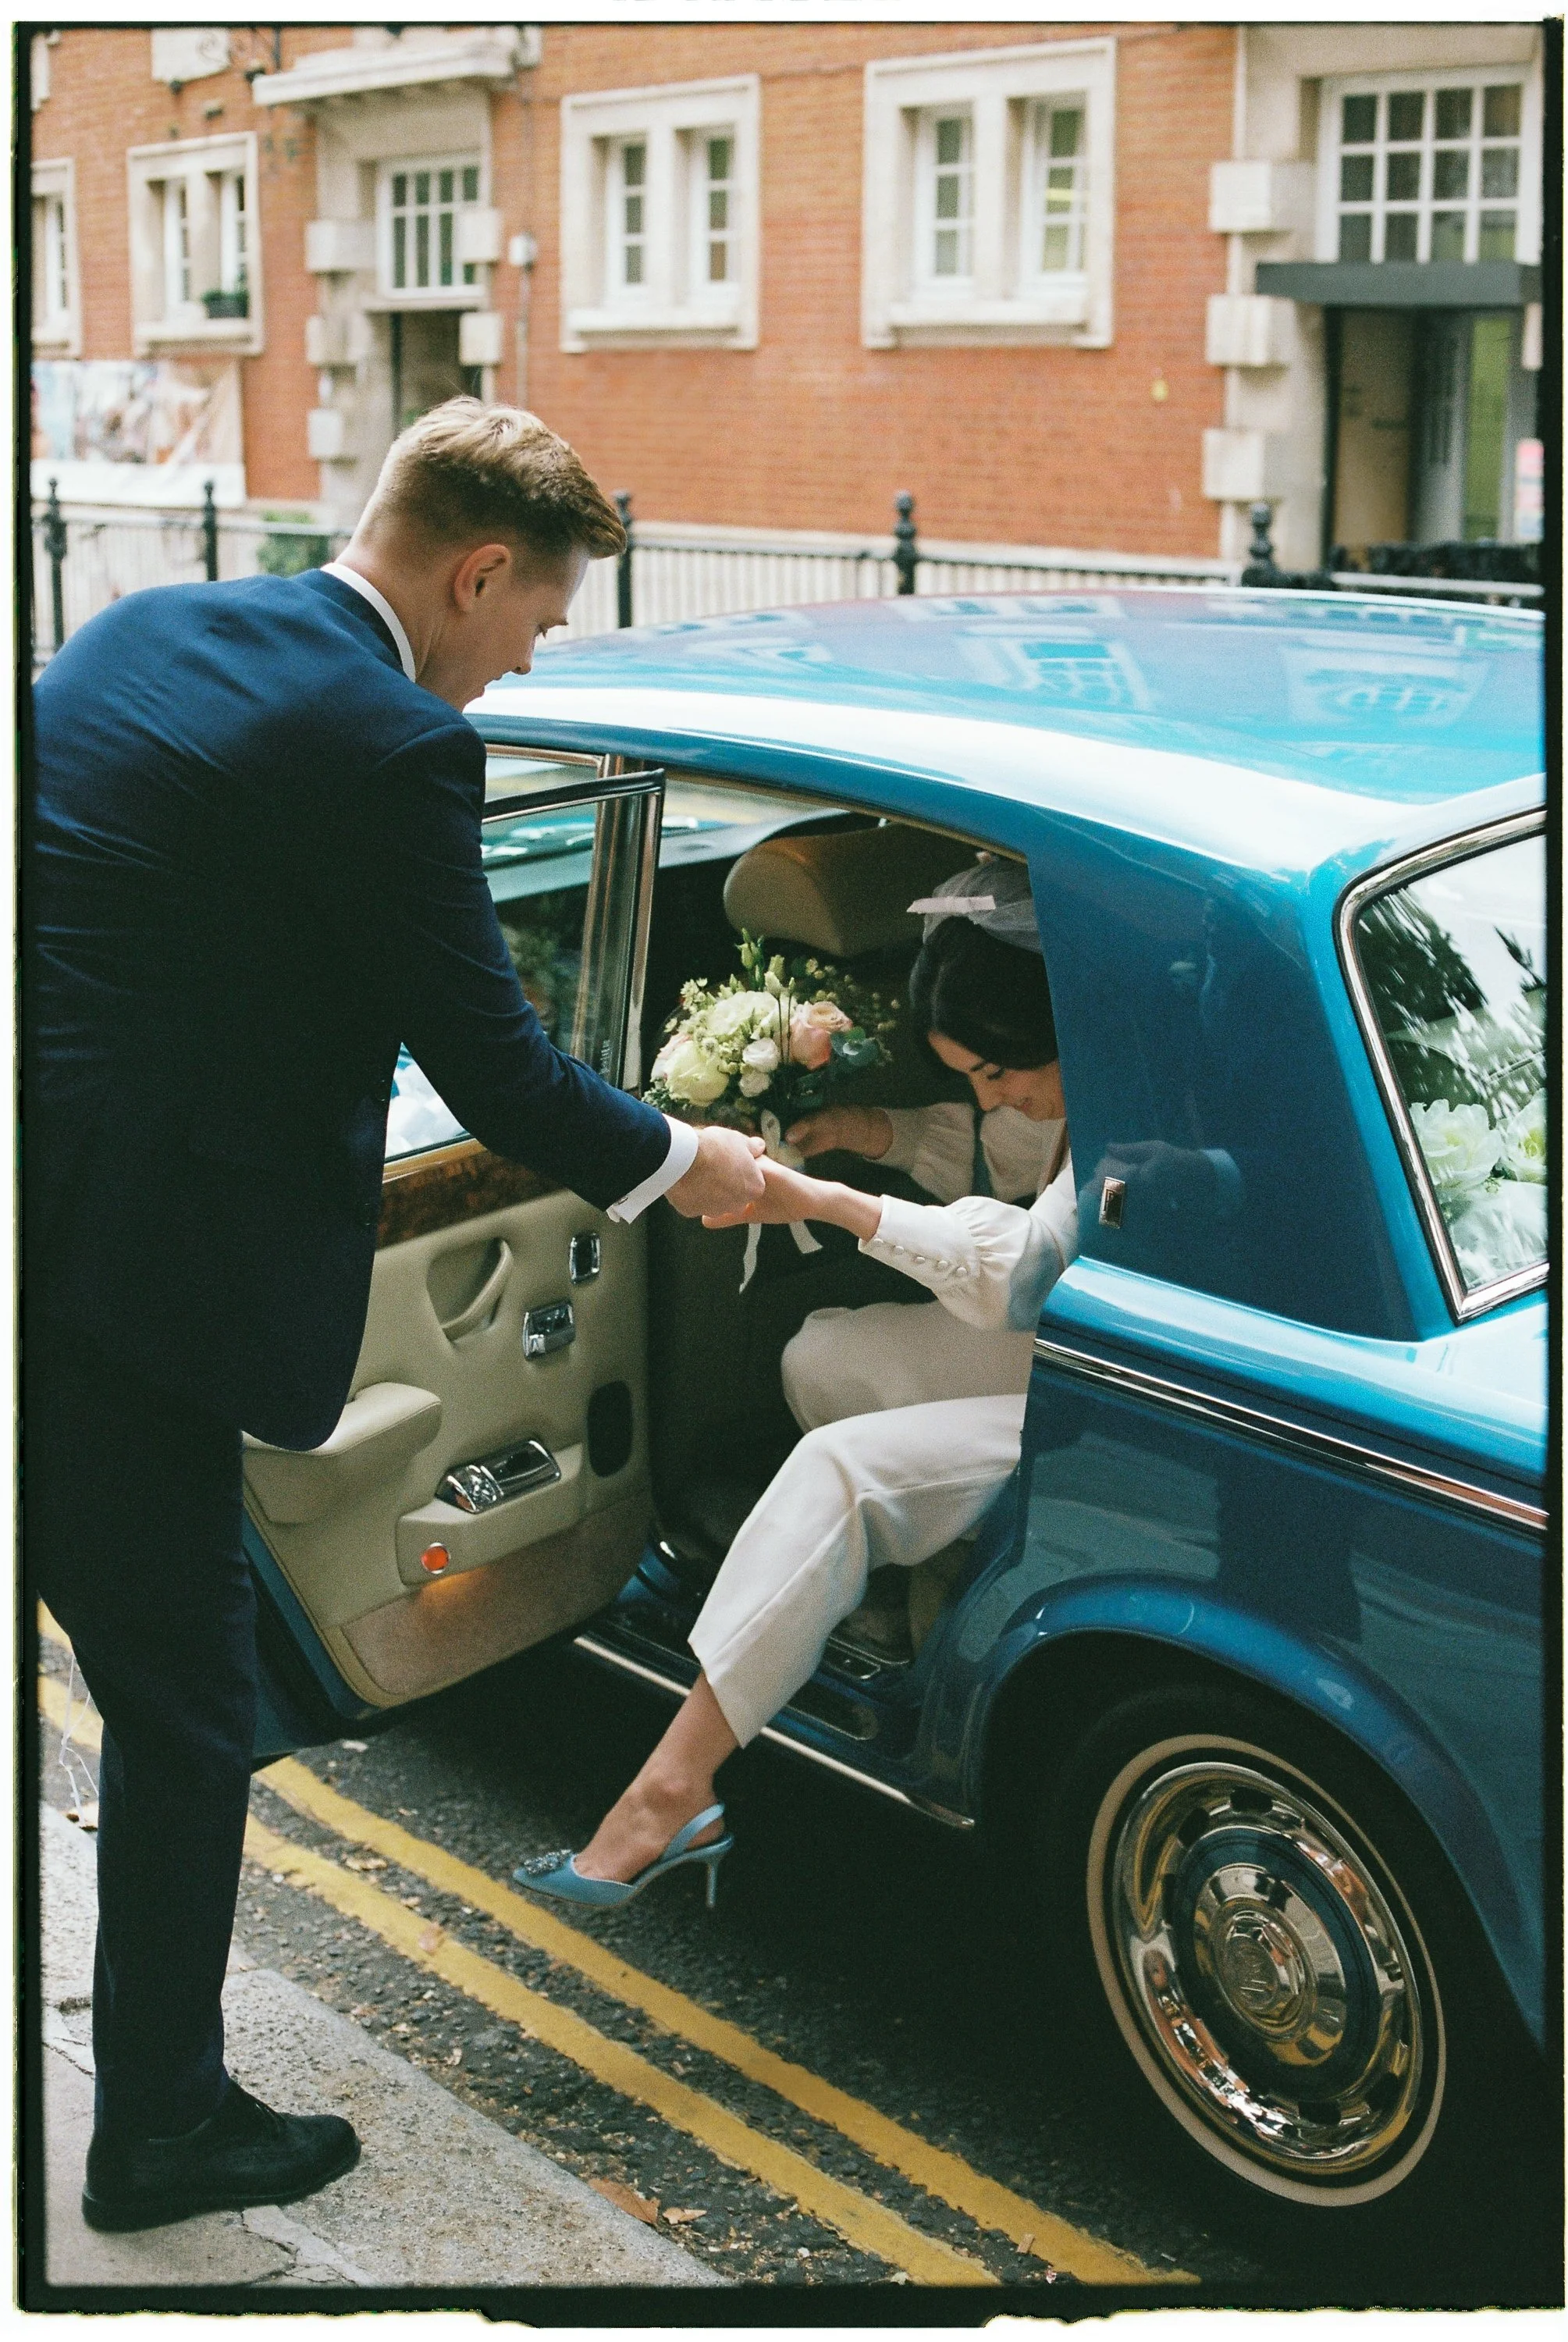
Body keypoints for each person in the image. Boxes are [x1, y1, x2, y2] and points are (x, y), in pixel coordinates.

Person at [27, 397, 766, 2233]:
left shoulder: (146, 629)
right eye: (532, 622)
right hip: (119, 1301)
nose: (527, 662)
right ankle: (163, 2131)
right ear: (475, 567)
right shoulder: (386, 749)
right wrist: (697, 1161)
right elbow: (509, 1082)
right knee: (190, 1716)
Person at [517, 865, 1076, 1909]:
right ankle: (886, 1582)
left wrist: (819, 1198)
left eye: (999, 1070)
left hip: (1115, 1403)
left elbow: (1021, 1271)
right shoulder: (1063, 1075)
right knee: (818, 1352)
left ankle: (668, 1789)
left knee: (840, 1469)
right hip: (1066, 1351)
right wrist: (871, 1136)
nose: (993, 1093)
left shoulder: (1132, 1103)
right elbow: (1007, 1164)